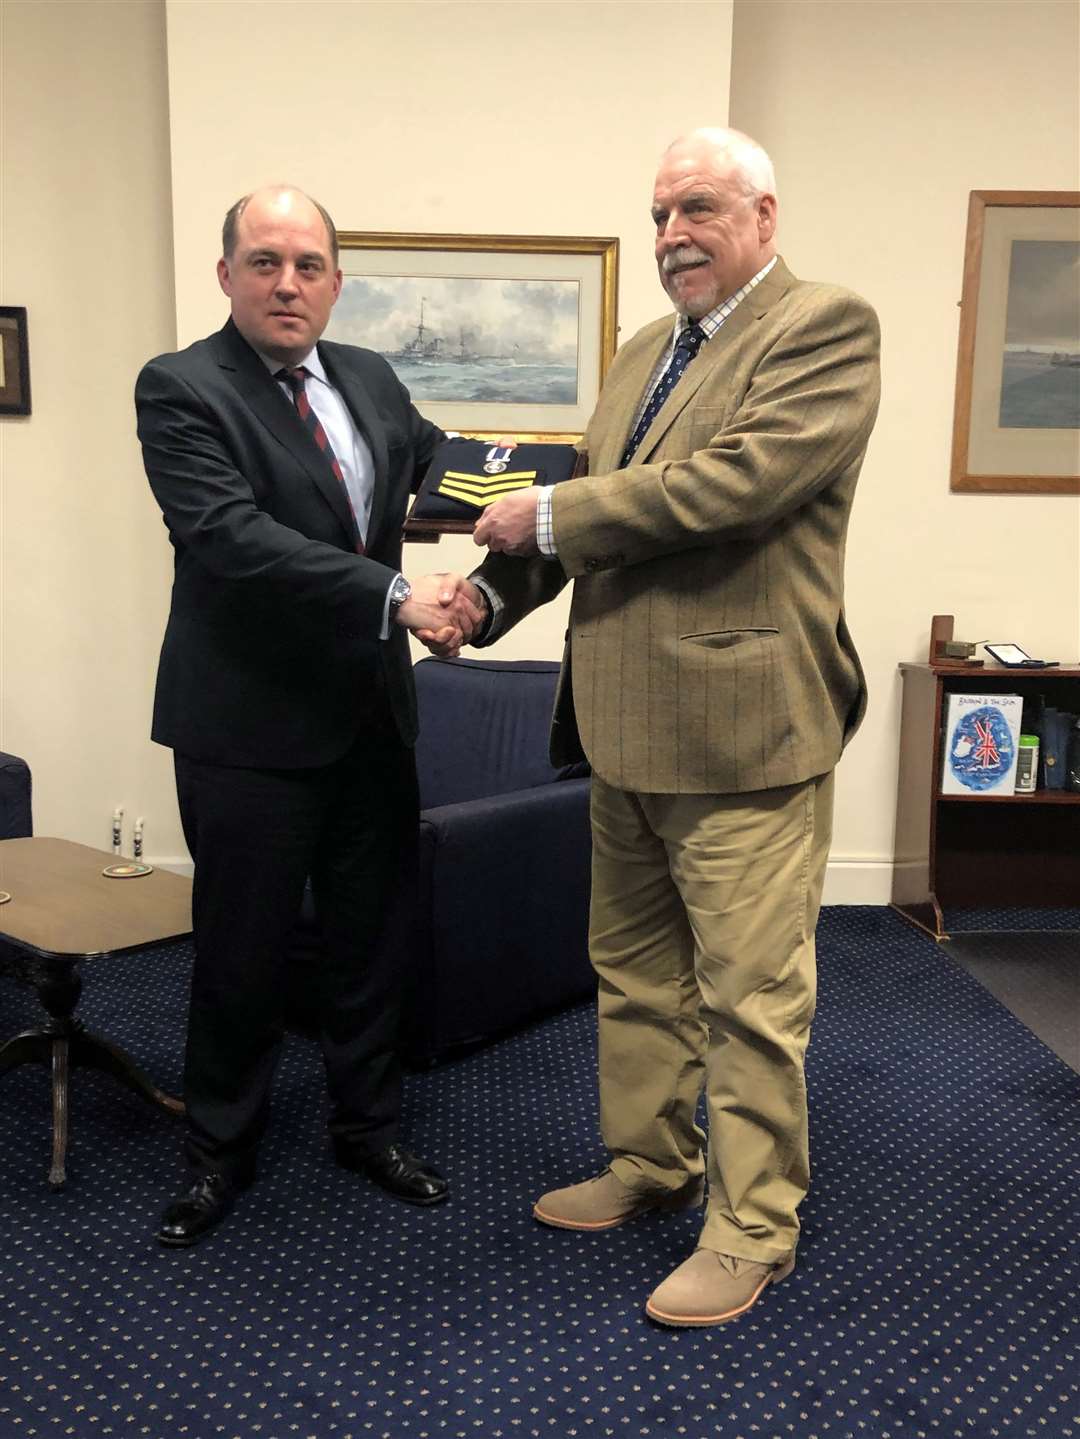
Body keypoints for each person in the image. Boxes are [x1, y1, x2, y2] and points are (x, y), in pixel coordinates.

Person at [457, 127, 881, 1325]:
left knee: (752, 996)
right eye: (656, 216)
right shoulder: (645, 348)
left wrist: (543, 518)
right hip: (620, 725)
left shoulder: (824, 327)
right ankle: (652, 1163)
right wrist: (482, 602)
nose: (671, 236)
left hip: (747, 734)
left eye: (696, 208)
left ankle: (754, 1228)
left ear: (763, 214)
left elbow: (732, 485)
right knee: (635, 975)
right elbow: (586, 522)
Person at [136, 184, 485, 1247]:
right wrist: (394, 596)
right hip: (246, 725)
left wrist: (541, 495)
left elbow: (443, 470)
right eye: (266, 261)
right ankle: (217, 1150)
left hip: (369, 717)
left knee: (369, 940)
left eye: (309, 264)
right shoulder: (182, 387)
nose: (289, 282)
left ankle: (366, 1124)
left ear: (336, 281)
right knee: (239, 948)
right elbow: (230, 536)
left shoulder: (371, 377)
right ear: (227, 275)